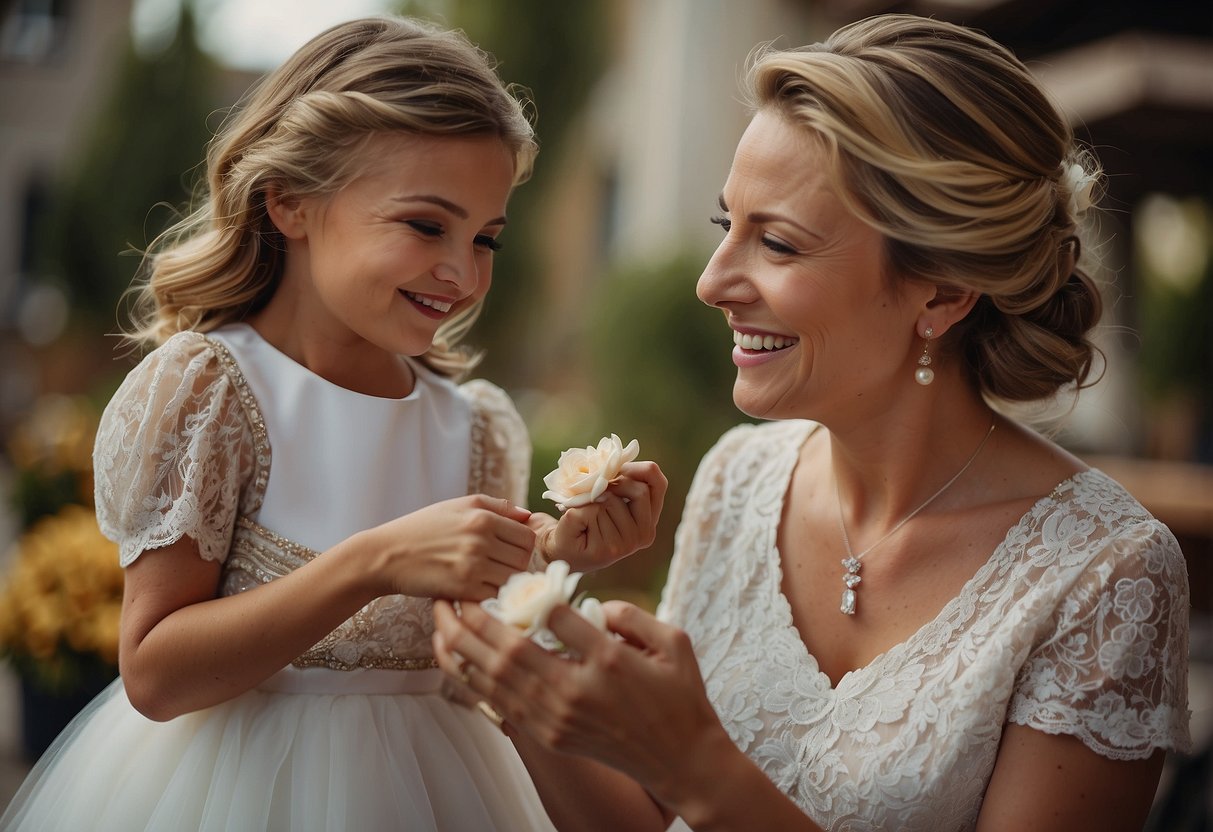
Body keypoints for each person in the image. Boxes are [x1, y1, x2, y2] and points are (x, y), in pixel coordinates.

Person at [432, 13, 1191, 831]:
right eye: (728, 227)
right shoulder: (738, 477)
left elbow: (689, 784)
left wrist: (695, 765)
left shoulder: (1106, 576)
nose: (712, 282)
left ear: (939, 292)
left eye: (780, 245)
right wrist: (524, 692)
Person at [0, 15, 665, 832]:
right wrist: (374, 561)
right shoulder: (213, 391)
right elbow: (155, 674)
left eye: (485, 236)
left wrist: (550, 559)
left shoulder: (476, 427)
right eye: (426, 224)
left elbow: (468, 665)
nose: (461, 271)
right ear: (290, 203)